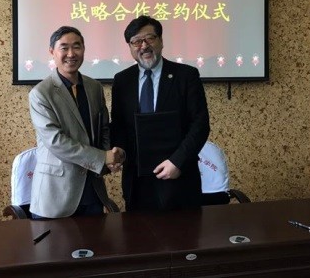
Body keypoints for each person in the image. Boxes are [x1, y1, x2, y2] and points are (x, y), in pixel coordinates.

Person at [111, 15, 210, 212]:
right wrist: (118, 151)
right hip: (137, 181)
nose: (144, 46)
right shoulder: (122, 80)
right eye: (136, 41)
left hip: (179, 178)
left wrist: (177, 162)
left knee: (184, 231)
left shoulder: (186, 76)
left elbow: (200, 125)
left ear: (161, 41)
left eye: (150, 38)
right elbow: (119, 125)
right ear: (130, 47)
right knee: (138, 231)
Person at [29, 26, 125, 219]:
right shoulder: (40, 93)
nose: (71, 54)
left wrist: (110, 160)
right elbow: (56, 141)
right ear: (52, 52)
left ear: (84, 49)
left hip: (92, 190)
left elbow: (103, 128)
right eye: (64, 48)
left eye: (77, 46)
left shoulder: (94, 87)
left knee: (95, 239)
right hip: (56, 194)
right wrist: (102, 157)